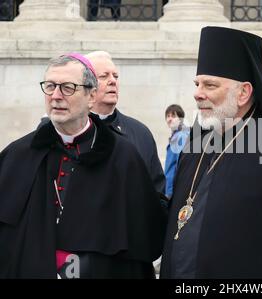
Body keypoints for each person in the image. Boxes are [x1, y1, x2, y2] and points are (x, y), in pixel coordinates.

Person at [160, 26, 262, 279]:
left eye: (210, 84)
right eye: (197, 83)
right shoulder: (196, 145)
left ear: (243, 93)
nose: (197, 93)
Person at [0, 53, 166, 278]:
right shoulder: (18, 154)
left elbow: (145, 237)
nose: (56, 96)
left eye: (68, 87)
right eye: (50, 86)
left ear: (91, 96)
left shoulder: (124, 157)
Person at [85, 51, 166, 195]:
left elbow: (157, 191)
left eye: (115, 76)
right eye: (104, 76)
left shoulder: (141, 133)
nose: (113, 81)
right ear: (85, 84)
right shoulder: (70, 130)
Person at [164, 104, 190, 199]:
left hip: (175, 191)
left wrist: (169, 193)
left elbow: (178, 166)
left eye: (173, 116)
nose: (170, 119)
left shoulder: (180, 137)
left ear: (181, 119)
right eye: (168, 116)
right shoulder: (181, 135)